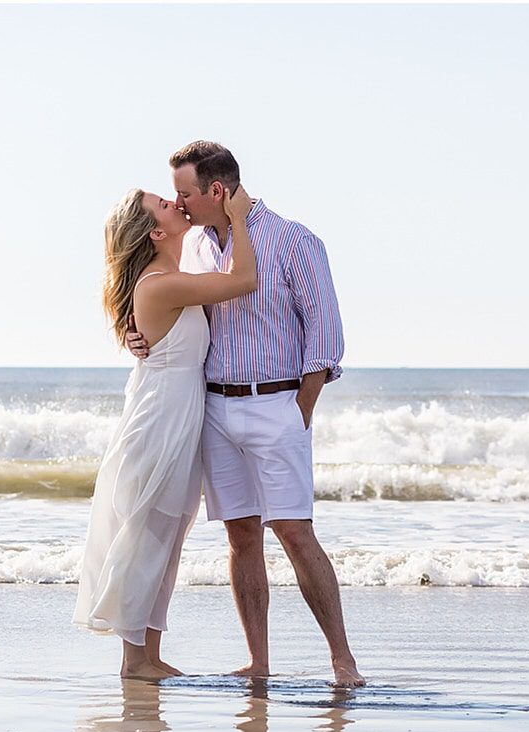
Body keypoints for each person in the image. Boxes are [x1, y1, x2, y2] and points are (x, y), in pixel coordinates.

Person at [132, 141, 365, 688]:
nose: (178, 204)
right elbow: (162, 299)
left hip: (276, 405)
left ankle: (343, 661)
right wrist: (134, 332)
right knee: (240, 538)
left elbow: (325, 336)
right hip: (214, 406)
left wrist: (299, 410)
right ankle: (258, 663)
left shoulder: (293, 240)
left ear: (217, 190)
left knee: (294, 531)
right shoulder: (195, 246)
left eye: (185, 193)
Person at [74, 189, 257, 681]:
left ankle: (149, 656)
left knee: (167, 539)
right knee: (146, 536)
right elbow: (244, 280)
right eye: (164, 204)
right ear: (156, 231)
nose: (176, 204)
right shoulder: (162, 284)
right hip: (158, 423)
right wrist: (239, 218)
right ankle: (134, 661)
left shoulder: (173, 275)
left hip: (178, 419)